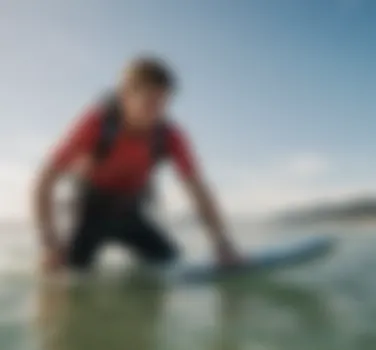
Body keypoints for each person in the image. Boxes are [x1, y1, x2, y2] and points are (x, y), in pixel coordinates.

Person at [33, 56, 240, 273]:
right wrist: (49, 245)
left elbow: (198, 190)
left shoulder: (169, 136)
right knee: (67, 274)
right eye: (149, 102)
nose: (156, 112)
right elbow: (44, 182)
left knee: (170, 261)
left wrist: (222, 244)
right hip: (90, 212)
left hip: (130, 212)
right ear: (124, 96)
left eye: (162, 103)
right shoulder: (96, 123)